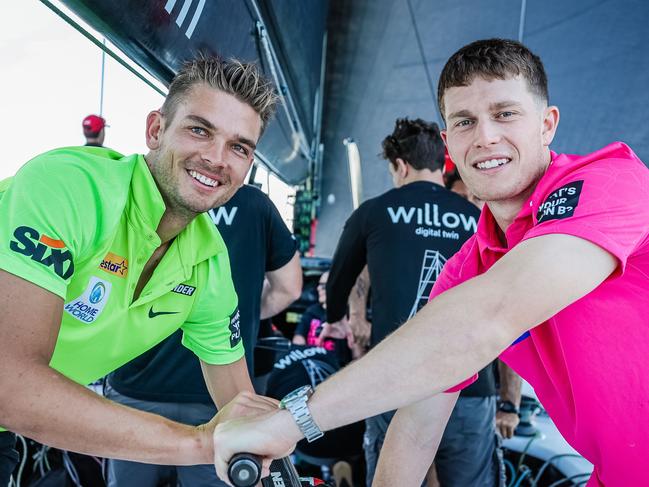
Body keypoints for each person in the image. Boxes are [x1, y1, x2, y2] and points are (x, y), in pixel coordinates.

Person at [213, 38, 649, 487]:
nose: (485, 137)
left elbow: (489, 316)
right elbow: (418, 423)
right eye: (465, 121)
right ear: (448, 145)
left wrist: (291, 421)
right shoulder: (465, 267)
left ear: (547, 124)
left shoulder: (611, 180)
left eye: (505, 113)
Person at [0, 56, 280, 486]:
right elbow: (10, 387)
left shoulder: (208, 262)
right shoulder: (69, 188)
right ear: (155, 130)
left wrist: (269, 442)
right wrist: (203, 442)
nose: (216, 158)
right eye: (199, 130)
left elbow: (239, 409)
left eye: (239, 147)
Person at [321, 118, 502, 486]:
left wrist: (337, 317)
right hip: (470, 385)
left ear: (400, 166)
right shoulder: (478, 217)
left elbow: (339, 281)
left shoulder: (373, 212)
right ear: (442, 164)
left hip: (395, 382)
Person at [104, 183, 301, 486]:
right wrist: (238, 316)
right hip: (219, 396)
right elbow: (289, 288)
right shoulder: (255, 204)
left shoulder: (136, 193)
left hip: (135, 388)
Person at [293, 271, 353, 366]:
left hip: (338, 368)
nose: (319, 289)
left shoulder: (348, 314)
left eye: (324, 286)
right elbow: (299, 338)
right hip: (312, 364)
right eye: (319, 285)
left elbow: (357, 352)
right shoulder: (312, 311)